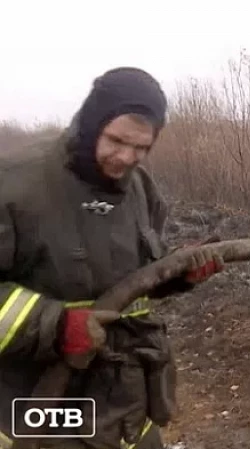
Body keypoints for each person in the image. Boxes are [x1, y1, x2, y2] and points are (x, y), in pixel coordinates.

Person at [0, 67, 224, 449]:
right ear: (91, 123)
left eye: (141, 148)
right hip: (39, 405)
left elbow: (135, 280)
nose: (126, 158)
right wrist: (57, 326)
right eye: (116, 140)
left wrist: (178, 273)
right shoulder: (16, 184)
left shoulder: (140, 189)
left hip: (125, 405)